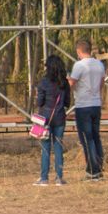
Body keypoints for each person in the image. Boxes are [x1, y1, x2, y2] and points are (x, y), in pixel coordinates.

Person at [69, 40, 106, 182]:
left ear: (79, 51)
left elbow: (72, 83)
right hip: (96, 103)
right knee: (96, 137)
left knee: (87, 138)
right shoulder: (99, 64)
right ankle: (99, 167)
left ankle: (92, 171)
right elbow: (101, 83)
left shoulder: (79, 65)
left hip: (83, 105)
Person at [33, 55, 70, 186]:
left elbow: (39, 102)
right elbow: (67, 102)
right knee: (58, 147)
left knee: (45, 148)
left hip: (45, 119)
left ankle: (44, 178)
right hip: (60, 118)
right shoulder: (64, 82)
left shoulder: (43, 82)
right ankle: (59, 178)